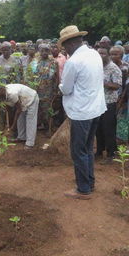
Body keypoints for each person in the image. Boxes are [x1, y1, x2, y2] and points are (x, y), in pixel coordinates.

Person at [58, 25, 106, 200]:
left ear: (70, 44)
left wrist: (60, 86)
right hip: (96, 108)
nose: (65, 50)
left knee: (78, 151)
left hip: (81, 112)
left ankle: (83, 189)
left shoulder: (73, 62)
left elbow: (66, 89)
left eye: (65, 46)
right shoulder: (94, 54)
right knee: (87, 149)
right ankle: (89, 182)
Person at [96, 47, 122, 164]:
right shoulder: (97, 67)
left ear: (108, 55)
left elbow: (117, 85)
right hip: (98, 103)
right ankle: (99, 151)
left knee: (108, 129)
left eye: (103, 53)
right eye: (99, 53)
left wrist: (103, 83)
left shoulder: (114, 68)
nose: (101, 55)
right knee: (98, 128)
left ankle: (111, 154)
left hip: (109, 103)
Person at [0, 84, 39, 149]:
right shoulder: (3, 96)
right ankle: (21, 137)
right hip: (23, 101)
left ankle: (30, 143)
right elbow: (9, 109)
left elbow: (19, 109)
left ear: (2, 92)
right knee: (20, 119)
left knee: (30, 120)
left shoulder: (12, 93)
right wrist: (10, 126)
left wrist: (13, 126)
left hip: (31, 98)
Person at [36, 43, 59, 131]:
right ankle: (41, 125)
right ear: (39, 51)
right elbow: (32, 75)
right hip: (38, 90)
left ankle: (48, 128)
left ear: (49, 51)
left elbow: (56, 77)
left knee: (48, 110)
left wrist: (55, 90)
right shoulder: (36, 62)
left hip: (49, 91)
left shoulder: (53, 62)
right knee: (39, 109)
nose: (44, 52)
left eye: (46, 50)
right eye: (42, 50)